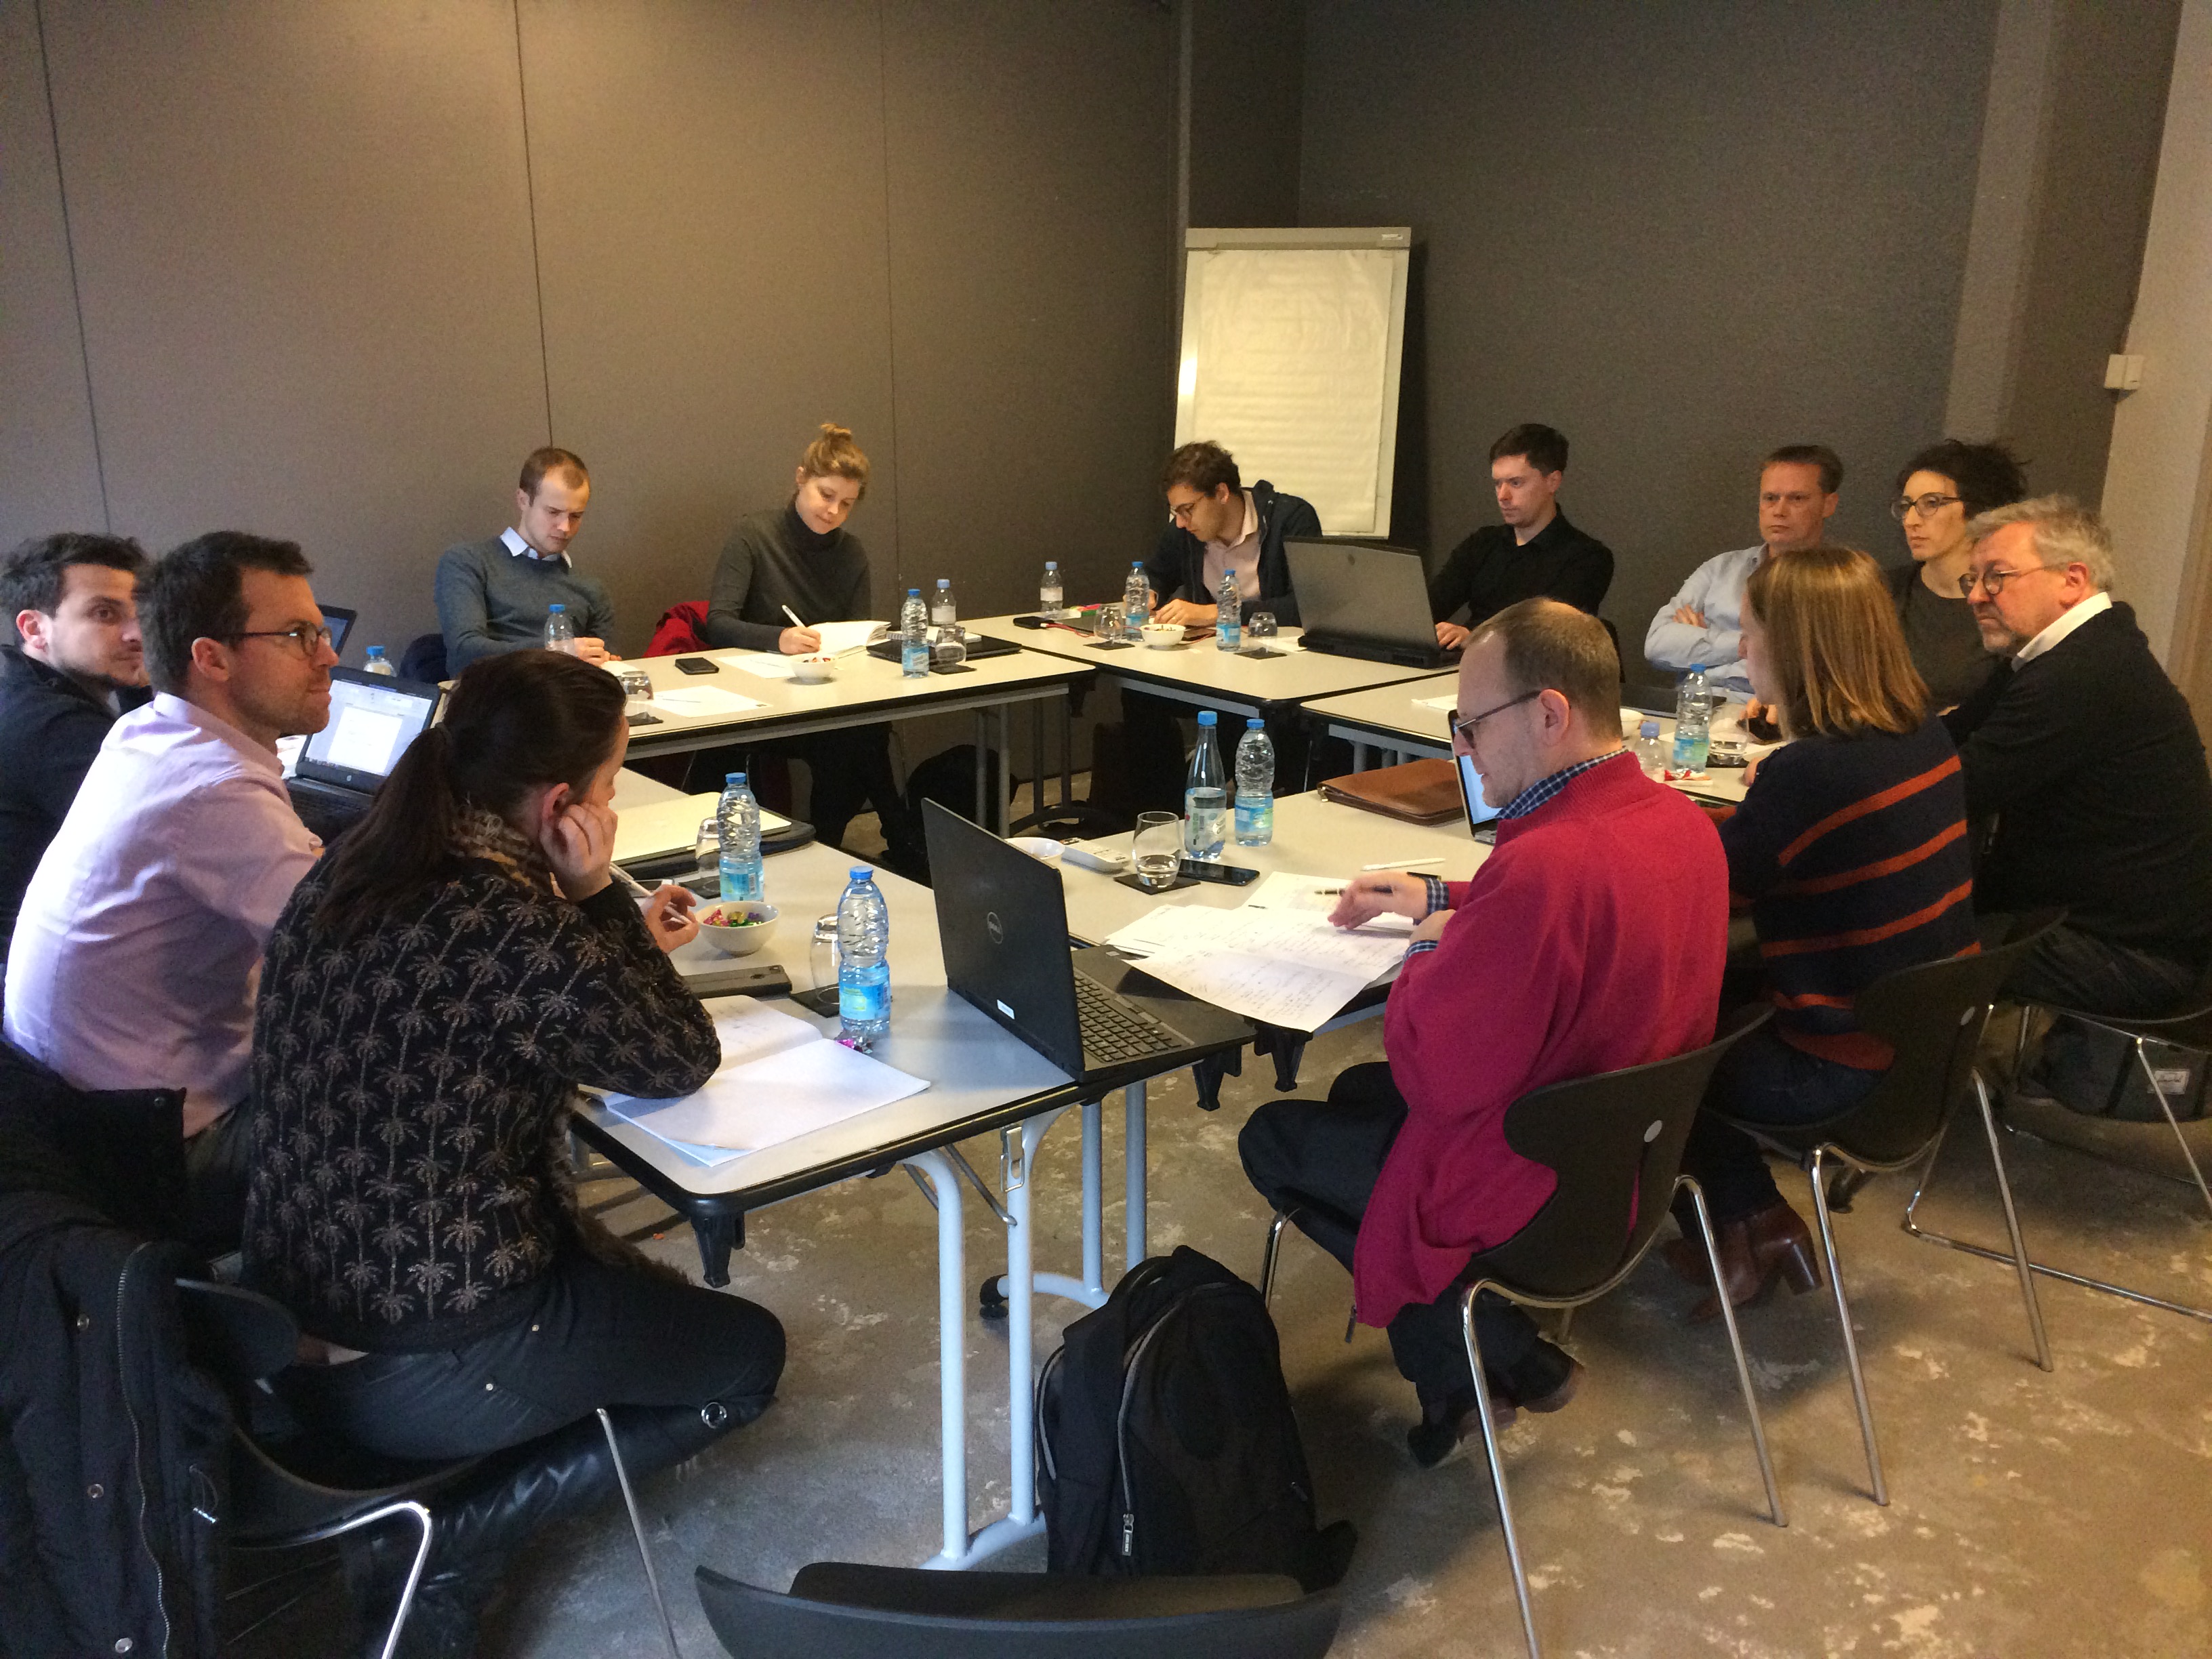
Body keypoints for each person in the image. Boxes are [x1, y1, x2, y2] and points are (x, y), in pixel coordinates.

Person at [243, 649, 783, 1648]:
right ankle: (450, 1541)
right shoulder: (508, 918)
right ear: (560, 805)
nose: (612, 806)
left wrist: (581, 921)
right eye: (611, 786)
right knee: (747, 1356)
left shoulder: (357, 863)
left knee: (644, 1311)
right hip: (420, 1352)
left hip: (286, 1314)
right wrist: (597, 895)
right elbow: (675, 1056)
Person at [1239, 600, 1729, 1466]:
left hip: (1528, 1185)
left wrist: (1430, 948)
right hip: (1623, 1166)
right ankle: (1474, 1377)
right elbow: (1578, 905)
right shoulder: (1680, 822)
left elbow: (1435, 1077)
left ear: (1550, 714)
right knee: (1355, 1095)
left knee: (1274, 1137)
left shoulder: (1544, 864)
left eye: (1472, 725)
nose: (1461, 749)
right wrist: (1442, 897)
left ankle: (1496, 1352)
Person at [1670, 546, 1975, 1319]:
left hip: (1838, 1067)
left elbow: (1704, 890)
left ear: (1795, 647)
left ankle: (1749, 1226)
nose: (1744, 648)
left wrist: (1662, 826)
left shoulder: (1810, 775)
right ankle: (1754, 1227)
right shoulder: (1922, 734)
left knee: (1642, 1056)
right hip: (1929, 1053)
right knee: (1704, 1002)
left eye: (1753, 633)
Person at [5, 532, 331, 1248]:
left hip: (64, 1111)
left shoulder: (148, 730)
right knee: (433, 1076)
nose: (328, 656)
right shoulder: (216, 791)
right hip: (152, 1153)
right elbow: (371, 958)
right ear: (211, 659)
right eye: (298, 636)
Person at [1946, 497, 2212, 1109]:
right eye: (1973, 579)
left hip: (2131, 956)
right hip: (2103, 928)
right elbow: (1950, 737)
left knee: (1889, 936)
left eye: (1996, 576)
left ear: (2072, 580)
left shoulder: (2084, 672)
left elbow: (1953, 790)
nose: (1977, 596)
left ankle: (1869, 1112)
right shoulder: (2067, 653)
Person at [701, 423, 919, 863]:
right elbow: (718, 623)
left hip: (828, 689)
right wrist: (778, 638)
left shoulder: (851, 552)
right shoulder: (753, 535)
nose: (833, 511)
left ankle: (838, 845)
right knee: (858, 739)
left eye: (846, 504)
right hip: (765, 696)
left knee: (861, 731)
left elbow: (859, 636)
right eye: (826, 495)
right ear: (801, 478)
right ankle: (888, 838)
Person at [0, 533, 150, 959]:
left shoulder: (23, 692)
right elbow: (178, 837)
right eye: (105, 614)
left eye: (142, 615)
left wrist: (139, 683)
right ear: (35, 629)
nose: (137, 634)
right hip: (27, 970)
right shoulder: (55, 727)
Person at [1644, 445, 1843, 697]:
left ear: (1828, 505)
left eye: (1797, 499)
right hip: (1692, 707)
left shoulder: (1841, 582)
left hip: (1769, 710)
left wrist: (1703, 640)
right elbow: (1657, 644)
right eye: (1770, 498)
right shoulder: (1721, 568)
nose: (1779, 511)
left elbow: (1819, 668)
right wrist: (1743, 644)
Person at [1428, 424, 1614, 649]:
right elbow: (1430, 608)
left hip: (1533, 667)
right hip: (1468, 662)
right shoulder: (1482, 543)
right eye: (1498, 484)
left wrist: (1475, 637)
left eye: (1516, 483)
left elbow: (1549, 634)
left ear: (1552, 482)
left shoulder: (1588, 558)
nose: (1503, 496)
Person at [436, 446, 619, 670]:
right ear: (523, 500)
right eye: (553, 512)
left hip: (568, 689)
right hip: (494, 687)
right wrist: (558, 652)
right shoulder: (469, 562)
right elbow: (464, 653)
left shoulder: (592, 590)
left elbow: (601, 666)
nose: (565, 527)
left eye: (576, 516)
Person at [1885, 439, 2028, 708]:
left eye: (1931, 503)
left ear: (1978, 509)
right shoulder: (1882, 591)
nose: (1911, 521)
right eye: (1906, 506)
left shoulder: (2007, 602)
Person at [1143, 441, 1321, 627]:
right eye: (1176, 512)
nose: (1180, 522)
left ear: (1221, 493)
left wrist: (1220, 612)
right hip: (1214, 643)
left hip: (1278, 643)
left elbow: (1309, 605)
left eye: (1188, 509)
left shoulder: (1290, 518)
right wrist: (1149, 592)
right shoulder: (1185, 531)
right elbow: (1157, 574)